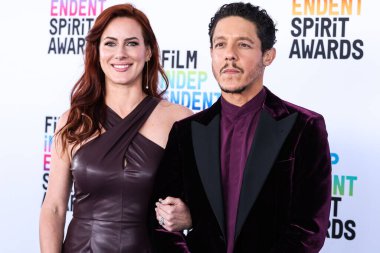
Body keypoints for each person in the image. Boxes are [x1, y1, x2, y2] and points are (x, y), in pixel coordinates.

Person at [153, 2, 332, 252]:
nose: (229, 54)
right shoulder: (186, 131)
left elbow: (308, 230)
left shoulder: (304, 127)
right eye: (220, 44)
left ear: (268, 55)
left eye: (243, 44)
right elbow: (161, 222)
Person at [39, 3, 193, 252]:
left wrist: (190, 216)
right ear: (97, 52)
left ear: (149, 51)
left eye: (131, 43)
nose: (120, 53)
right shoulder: (73, 120)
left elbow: (207, 201)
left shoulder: (179, 120)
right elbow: (54, 207)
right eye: (110, 43)